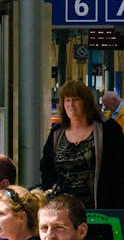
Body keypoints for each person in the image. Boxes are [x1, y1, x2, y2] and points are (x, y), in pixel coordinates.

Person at [40, 79, 124, 208]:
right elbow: (46, 167)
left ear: (86, 103)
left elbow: (119, 169)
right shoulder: (57, 132)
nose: (71, 105)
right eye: (67, 100)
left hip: (102, 210)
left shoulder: (108, 129)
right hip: (65, 211)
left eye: (76, 100)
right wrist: (52, 187)